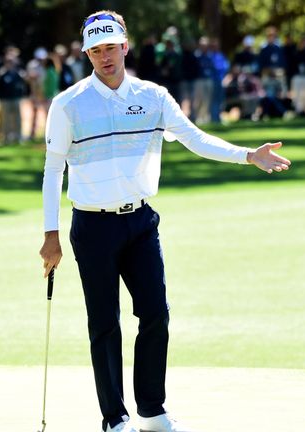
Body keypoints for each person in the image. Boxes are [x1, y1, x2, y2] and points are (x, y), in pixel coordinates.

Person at [38, 10, 291, 432]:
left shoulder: (153, 97)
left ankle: (152, 410)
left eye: (110, 47)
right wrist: (50, 235)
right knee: (105, 324)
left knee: (156, 312)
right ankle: (114, 418)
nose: (104, 57)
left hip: (139, 222)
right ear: (87, 54)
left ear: (125, 46)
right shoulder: (68, 105)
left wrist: (247, 154)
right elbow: (52, 170)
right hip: (92, 227)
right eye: (95, 50)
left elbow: (195, 138)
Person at [0, 53, 26, 145]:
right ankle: (6, 138)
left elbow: (21, 86)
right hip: (5, 100)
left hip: (16, 99)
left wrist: (20, 95)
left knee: (17, 119)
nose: (10, 63)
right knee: (5, 120)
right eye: (9, 61)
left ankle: (18, 137)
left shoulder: (17, 73)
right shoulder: (2, 73)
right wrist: (0, 98)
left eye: (12, 61)